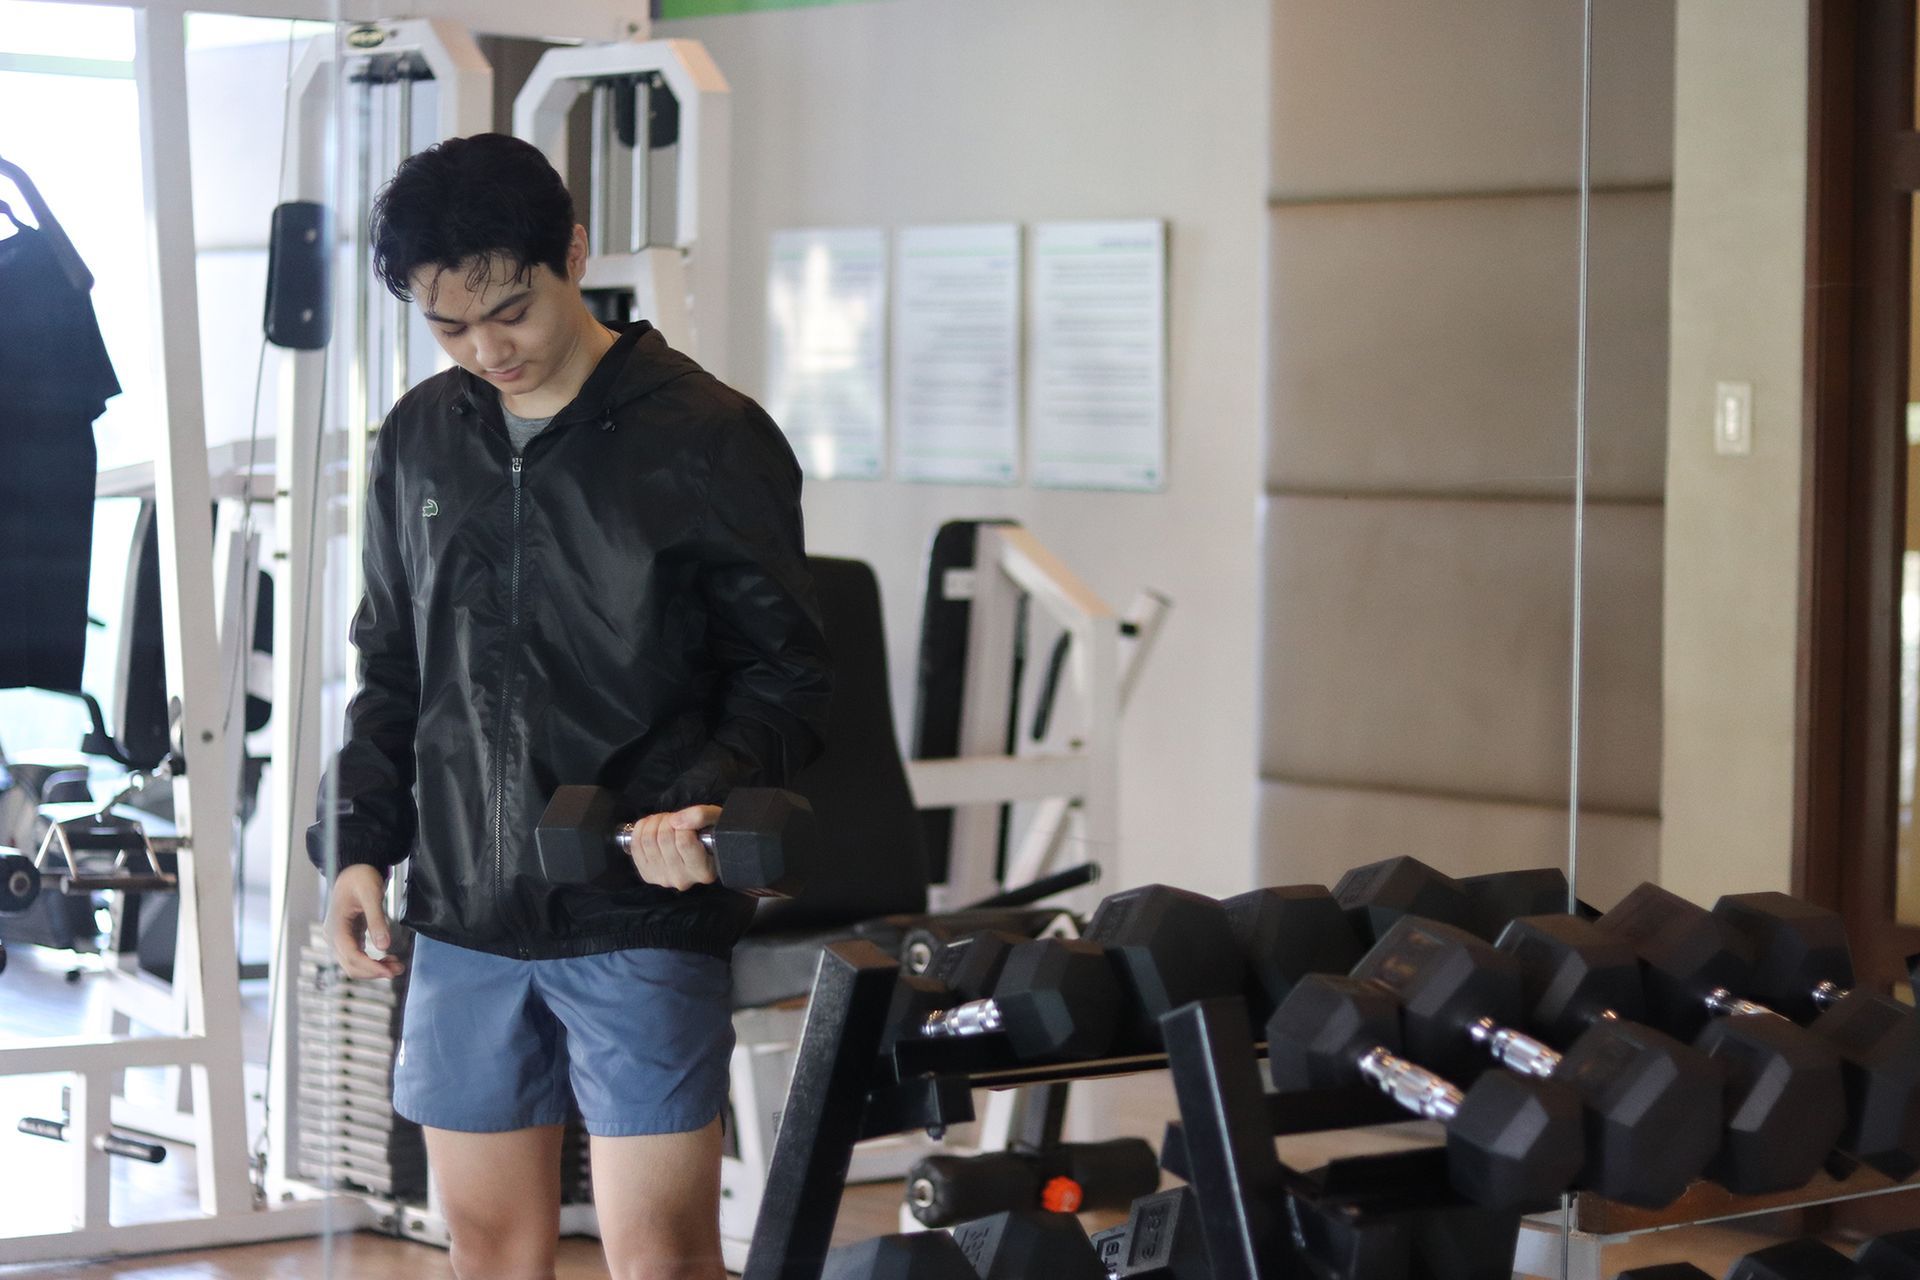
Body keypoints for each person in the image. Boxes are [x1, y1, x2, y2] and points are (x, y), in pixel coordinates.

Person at [308, 132, 831, 1280]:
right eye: (449, 326)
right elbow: (391, 661)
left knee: (661, 1254)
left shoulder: (708, 436)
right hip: (463, 913)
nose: (486, 349)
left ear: (574, 254)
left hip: (634, 909)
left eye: (510, 311)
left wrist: (697, 803)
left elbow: (787, 670)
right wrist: (357, 845)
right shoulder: (419, 438)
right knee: (490, 1248)